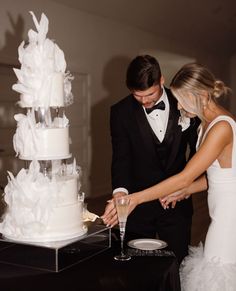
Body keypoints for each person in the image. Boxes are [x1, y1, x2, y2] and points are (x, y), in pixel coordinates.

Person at [103, 62, 236, 291]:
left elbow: (186, 176)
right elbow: (218, 174)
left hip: (229, 217)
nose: (180, 107)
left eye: (183, 100)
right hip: (220, 211)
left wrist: (134, 199)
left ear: (201, 95)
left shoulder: (221, 127)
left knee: (218, 274)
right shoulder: (208, 123)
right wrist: (187, 189)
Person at [102, 55, 200, 263]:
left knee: (177, 265)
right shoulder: (120, 113)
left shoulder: (184, 102)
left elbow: (198, 151)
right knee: (137, 269)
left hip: (177, 204)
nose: (145, 102)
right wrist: (121, 194)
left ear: (161, 81)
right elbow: (121, 158)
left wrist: (187, 184)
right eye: (138, 96)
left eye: (150, 94)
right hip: (138, 207)